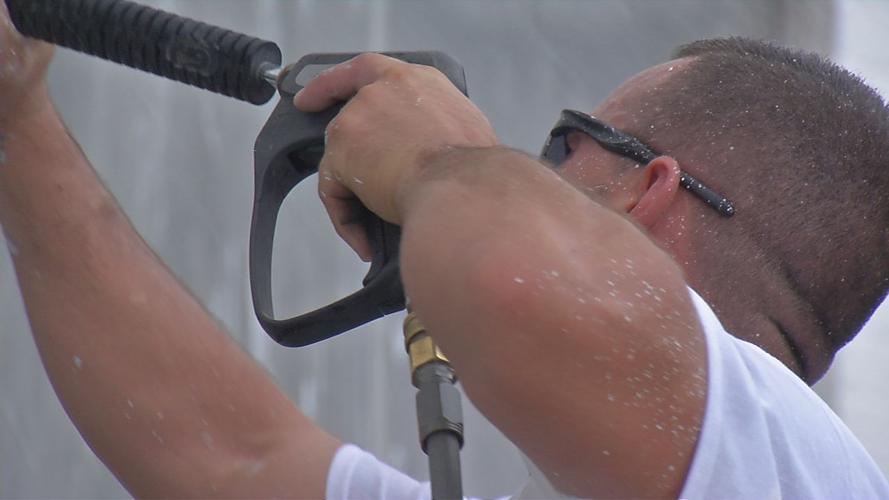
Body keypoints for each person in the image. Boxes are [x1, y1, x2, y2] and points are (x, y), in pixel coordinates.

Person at [1, 2, 887, 496]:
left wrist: (436, 156)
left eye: (559, 147)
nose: (523, 168)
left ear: (647, 192)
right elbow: (227, 458)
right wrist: (16, 124)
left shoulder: (801, 473)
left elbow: (511, 278)